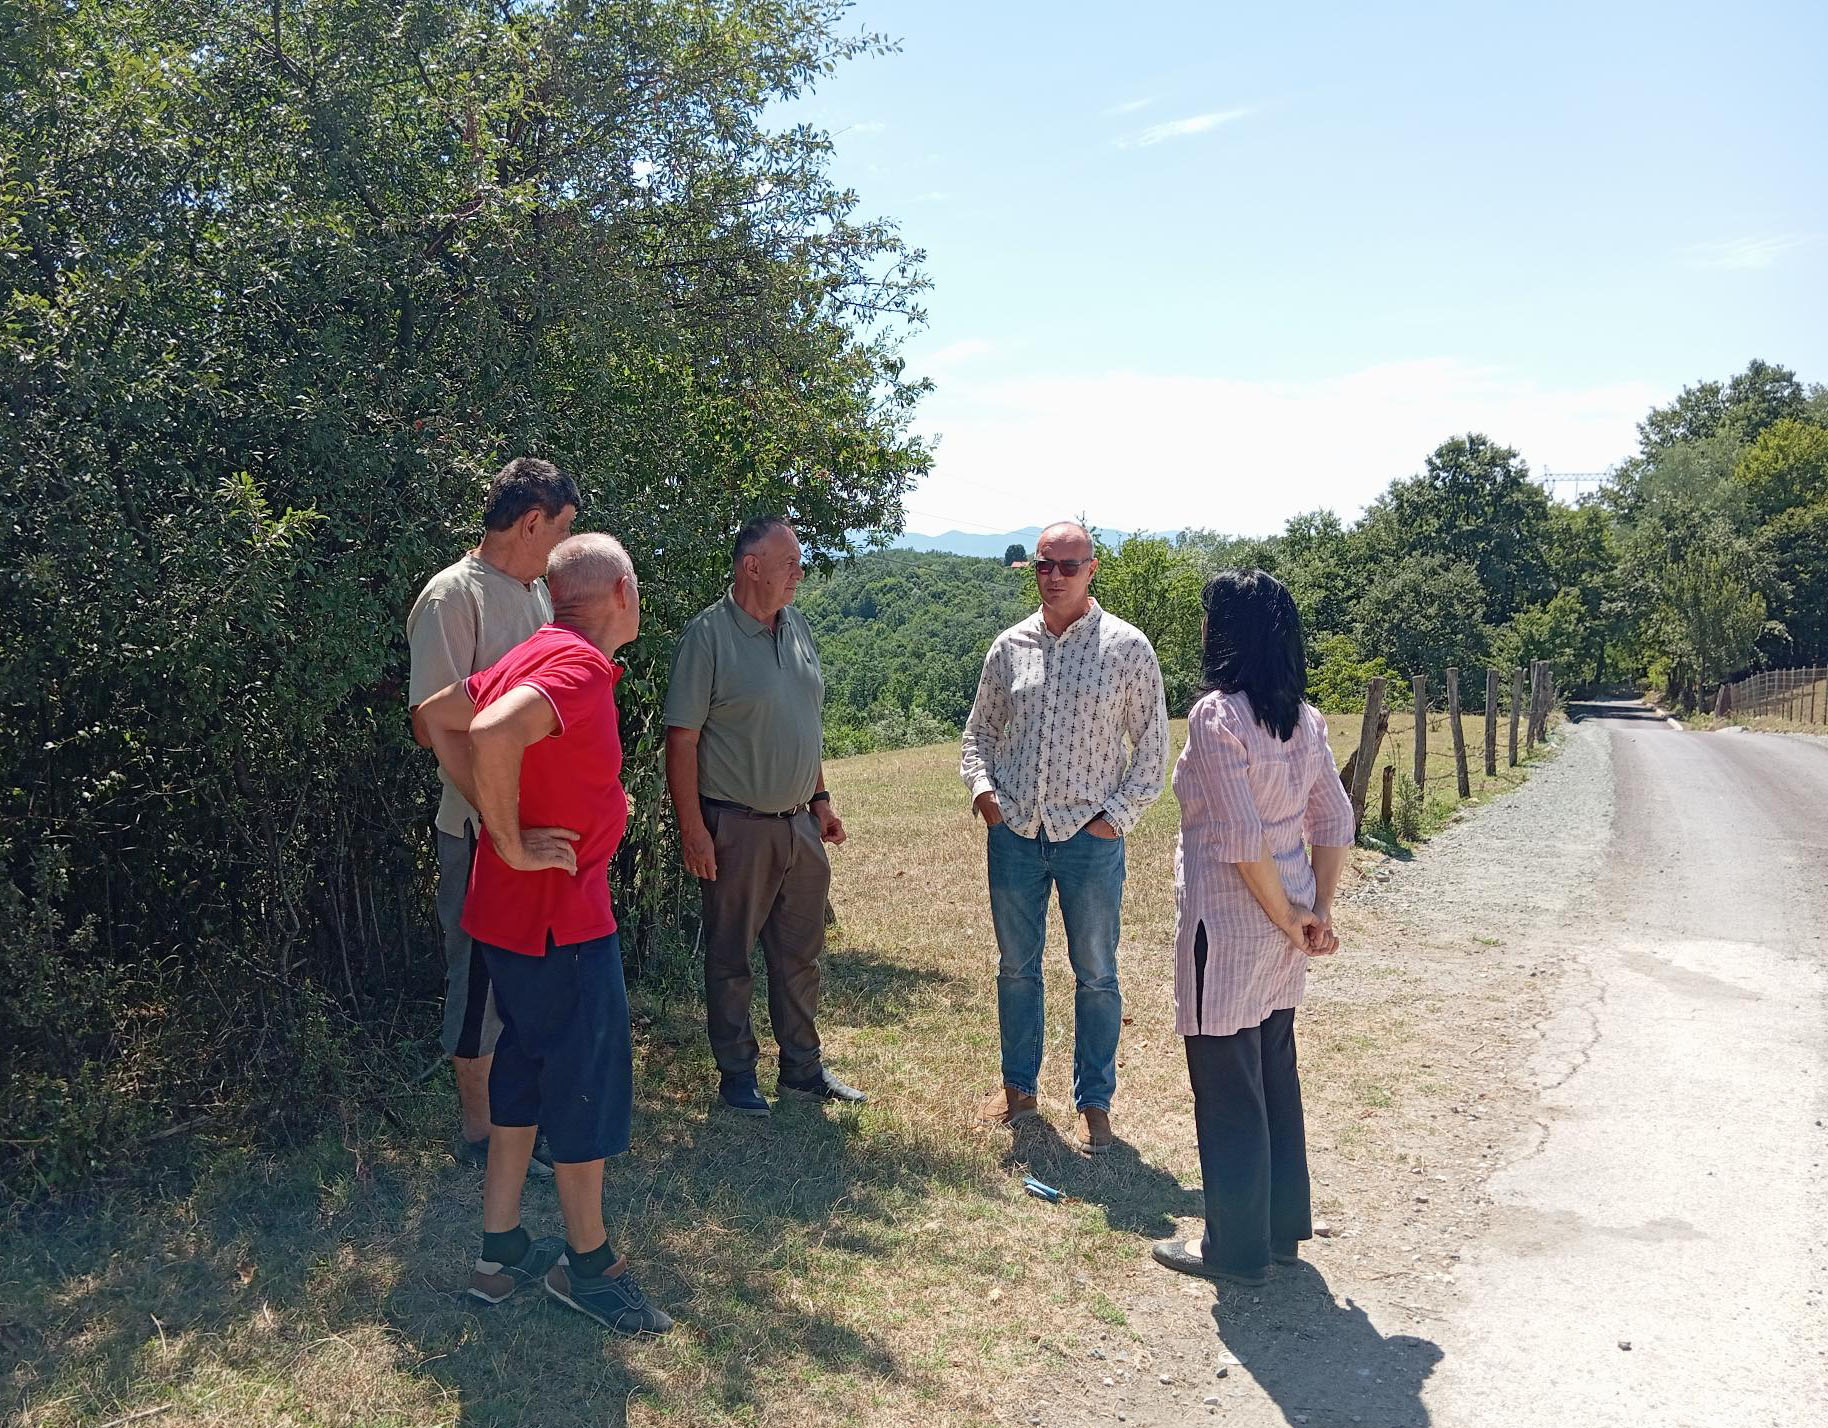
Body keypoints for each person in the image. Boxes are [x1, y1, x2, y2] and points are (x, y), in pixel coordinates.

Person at [413, 532, 672, 1335]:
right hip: (561, 922)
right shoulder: (578, 668)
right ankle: (588, 1267)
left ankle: (500, 1253)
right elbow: (488, 735)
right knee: (585, 1087)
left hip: (504, 920)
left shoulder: (533, 650)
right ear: (622, 594)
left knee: (520, 1074)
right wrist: (516, 836)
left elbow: (433, 717)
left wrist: (504, 829)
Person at [1149, 569, 1354, 1288]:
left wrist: (1292, 915)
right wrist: (1314, 912)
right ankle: (1278, 1232)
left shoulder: (1217, 717)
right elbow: (1335, 820)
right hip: (1285, 927)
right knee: (1272, 1069)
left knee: (1228, 1081)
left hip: (1230, 928)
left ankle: (1234, 1250)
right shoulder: (1304, 716)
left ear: (1225, 634)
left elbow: (1238, 839)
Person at [960, 520, 1169, 1153]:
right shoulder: (1010, 646)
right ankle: (1019, 1090)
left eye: (1067, 566)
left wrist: (1115, 820)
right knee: (1017, 969)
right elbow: (979, 734)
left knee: (1097, 974)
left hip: (1090, 840)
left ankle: (1094, 1103)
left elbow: (1153, 749)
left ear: (1092, 569)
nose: (1053, 577)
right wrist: (985, 796)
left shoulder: (1128, 648)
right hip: (1016, 832)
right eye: (1044, 566)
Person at [406, 456, 578, 1173]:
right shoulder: (453, 595)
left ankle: (523, 1124)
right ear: (531, 521)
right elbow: (432, 724)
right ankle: (480, 1136)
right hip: (482, 833)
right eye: (563, 529)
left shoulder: (538, 591)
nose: (567, 544)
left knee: (531, 979)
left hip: (536, 833)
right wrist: (499, 826)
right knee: (478, 978)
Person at [663, 515, 864, 1116]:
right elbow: (681, 740)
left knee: (800, 954)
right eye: (790, 563)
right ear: (752, 566)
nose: (799, 573)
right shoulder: (708, 637)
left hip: (801, 826)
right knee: (731, 959)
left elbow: (805, 722)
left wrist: (821, 799)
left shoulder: (796, 626)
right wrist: (694, 829)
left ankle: (802, 1069)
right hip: (737, 827)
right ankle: (737, 1077)